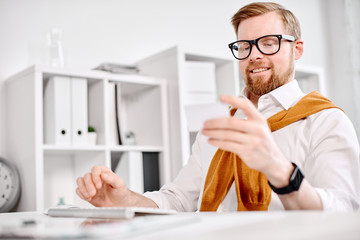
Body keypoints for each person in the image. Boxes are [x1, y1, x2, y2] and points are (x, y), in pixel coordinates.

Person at [76, 2, 360, 211]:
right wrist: (125, 201)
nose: (255, 55)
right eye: (245, 46)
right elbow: (180, 200)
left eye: (269, 43)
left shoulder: (326, 120)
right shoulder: (219, 126)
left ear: (296, 49)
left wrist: (281, 170)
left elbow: (344, 212)